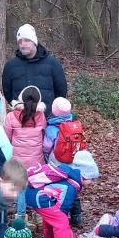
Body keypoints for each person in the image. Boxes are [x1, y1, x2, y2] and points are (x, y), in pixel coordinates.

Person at [25, 151, 99, 238]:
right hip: (41, 198)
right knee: (61, 222)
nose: (92, 182)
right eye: (91, 179)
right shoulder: (71, 186)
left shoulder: (69, 178)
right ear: (84, 176)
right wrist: (63, 219)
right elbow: (63, 207)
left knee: (52, 218)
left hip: (35, 196)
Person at [2, 24, 68, 116]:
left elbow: (61, 91)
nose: (22, 44)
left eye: (26, 40)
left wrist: (50, 111)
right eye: (20, 41)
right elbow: (7, 93)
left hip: (47, 120)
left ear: (34, 42)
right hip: (20, 120)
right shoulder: (10, 66)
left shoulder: (52, 63)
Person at [4, 85, 47, 217]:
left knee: (21, 187)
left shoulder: (11, 116)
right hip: (37, 159)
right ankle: (38, 215)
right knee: (37, 185)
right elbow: (44, 135)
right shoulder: (41, 116)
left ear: (21, 98)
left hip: (18, 160)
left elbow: (7, 137)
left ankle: (21, 215)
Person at [44, 96, 86, 225]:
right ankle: (77, 216)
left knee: (60, 187)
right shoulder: (74, 126)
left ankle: (60, 213)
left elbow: (46, 147)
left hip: (56, 162)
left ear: (54, 111)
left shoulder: (51, 128)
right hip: (72, 161)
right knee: (72, 185)